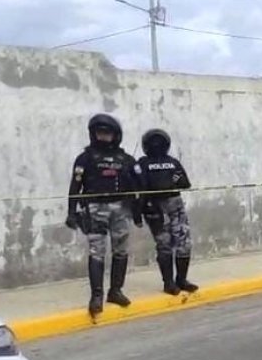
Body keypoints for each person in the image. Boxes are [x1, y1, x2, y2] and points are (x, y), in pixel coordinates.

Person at [66, 114, 141, 318]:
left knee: (121, 251)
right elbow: (75, 185)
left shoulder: (125, 159)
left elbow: (137, 186)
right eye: (99, 132)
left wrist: (137, 212)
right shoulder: (85, 158)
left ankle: (115, 291)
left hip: (120, 209)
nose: (103, 136)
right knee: (96, 252)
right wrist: (71, 212)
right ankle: (96, 296)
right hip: (95, 208)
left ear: (115, 135)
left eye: (107, 133)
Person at [135, 129, 198, 295]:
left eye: (159, 142)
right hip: (155, 207)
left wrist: (172, 182)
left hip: (175, 205)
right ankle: (168, 283)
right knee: (164, 245)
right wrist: (139, 212)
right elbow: (139, 189)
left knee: (184, 243)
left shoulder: (173, 162)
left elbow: (185, 183)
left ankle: (182, 279)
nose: (156, 146)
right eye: (153, 143)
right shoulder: (142, 163)